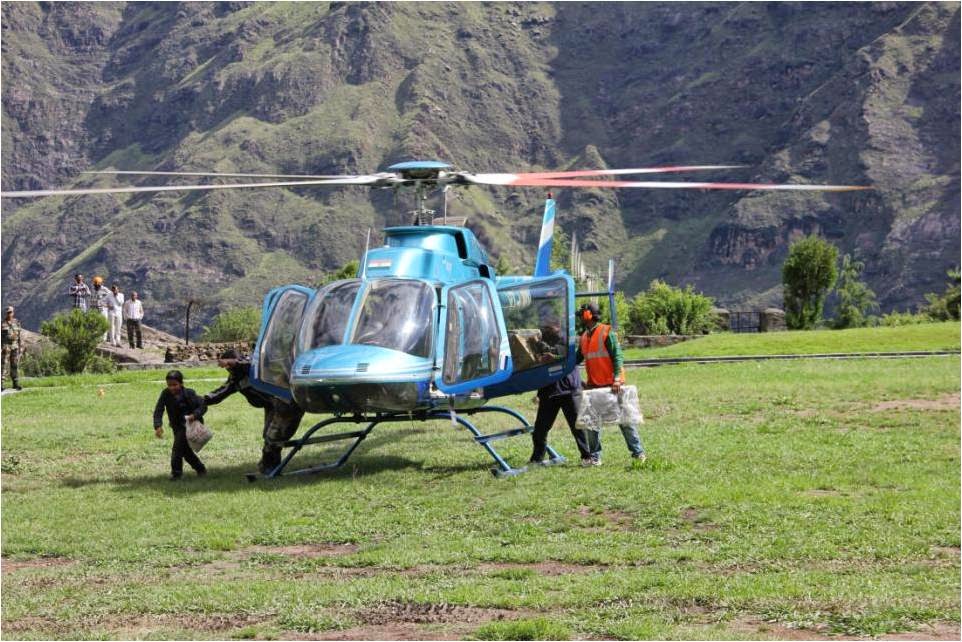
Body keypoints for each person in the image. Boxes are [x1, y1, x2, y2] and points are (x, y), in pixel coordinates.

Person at [204, 349, 305, 474]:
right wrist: (199, 401)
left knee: (273, 436)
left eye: (230, 366)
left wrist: (233, 362)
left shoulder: (257, 367)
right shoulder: (236, 379)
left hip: (286, 402)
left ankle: (270, 467)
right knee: (268, 436)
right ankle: (270, 466)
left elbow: (250, 362)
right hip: (272, 406)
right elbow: (218, 394)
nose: (229, 369)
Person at [576, 302, 645, 466]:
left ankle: (638, 453)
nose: (580, 317)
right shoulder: (585, 337)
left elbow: (617, 356)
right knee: (591, 423)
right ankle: (595, 457)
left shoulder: (606, 332)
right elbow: (576, 359)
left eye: (582, 313)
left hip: (613, 386)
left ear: (589, 314)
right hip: (594, 386)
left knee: (625, 421)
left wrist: (617, 379)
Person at [152, 370, 207, 480]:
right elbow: (159, 409)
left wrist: (194, 415)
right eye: (169, 385)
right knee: (185, 451)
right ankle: (200, 469)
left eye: (174, 385)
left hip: (189, 426)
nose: (172, 388)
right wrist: (158, 425)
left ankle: (176, 474)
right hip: (176, 426)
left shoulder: (189, 393)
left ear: (181, 383)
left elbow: (202, 406)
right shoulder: (165, 394)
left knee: (177, 449)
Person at [1, 306, 23, 391]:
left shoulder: (17, 322)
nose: (9, 314)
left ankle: (15, 383)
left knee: (15, 365)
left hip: (15, 347)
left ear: (13, 312)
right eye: (8, 313)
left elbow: (19, 336)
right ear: (6, 314)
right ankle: (1, 384)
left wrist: (21, 347)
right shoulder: (2, 323)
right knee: (4, 365)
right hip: (5, 347)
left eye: (10, 312)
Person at [90, 276, 111, 341]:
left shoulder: (105, 289)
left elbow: (111, 295)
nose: (96, 286)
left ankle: (103, 339)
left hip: (102, 309)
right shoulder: (92, 289)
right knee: (95, 323)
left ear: (101, 283)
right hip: (94, 309)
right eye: (95, 284)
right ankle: (96, 338)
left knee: (103, 322)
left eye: (98, 284)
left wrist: (106, 304)